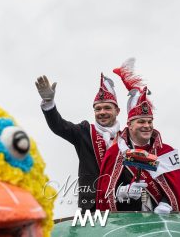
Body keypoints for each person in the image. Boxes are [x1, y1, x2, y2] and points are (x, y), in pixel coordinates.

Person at [96, 58, 180, 213]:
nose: (147, 126)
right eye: (141, 122)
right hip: (127, 226)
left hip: (160, 223)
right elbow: (105, 193)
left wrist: (166, 204)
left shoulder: (166, 152)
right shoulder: (115, 152)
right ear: (130, 125)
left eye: (149, 121)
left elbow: (175, 191)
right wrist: (122, 192)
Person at [35, 74, 120, 212]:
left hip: (122, 206)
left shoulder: (125, 138)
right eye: (98, 109)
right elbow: (59, 126)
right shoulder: (85, 131)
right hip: (91, 207)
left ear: (117, 111)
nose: (102, 112)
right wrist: (49, 103)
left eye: (107, 108)